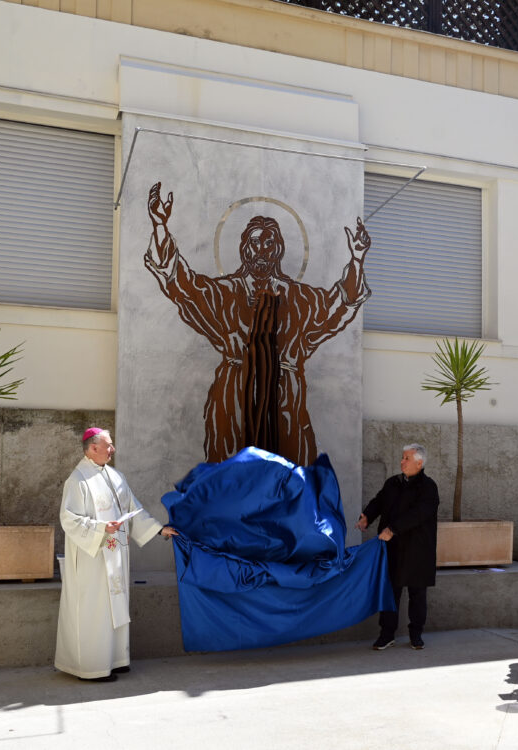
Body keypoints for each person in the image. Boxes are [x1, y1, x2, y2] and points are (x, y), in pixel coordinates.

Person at [144, 181, 371, 466]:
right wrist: (160, 227)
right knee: (232, 474)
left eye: (268, 243)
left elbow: (336, 307)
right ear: (244, 249)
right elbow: (183, 286)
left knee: (288, 473)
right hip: (235, 395)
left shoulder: (298, 297)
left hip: (284, 398)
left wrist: (357, 259)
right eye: (254, 243)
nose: (261, 250)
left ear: (278, 250)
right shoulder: (224, 292)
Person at [54, 428, 177, 681]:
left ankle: (116, 660)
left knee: (115, 606)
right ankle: (92, 667)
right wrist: (102, 528)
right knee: (95, 610)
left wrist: (158, 529)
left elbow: (135, 509)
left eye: (112, 445)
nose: (113, 449)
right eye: (108, 445)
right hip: (93, 559)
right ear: (92, 447)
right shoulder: (78, 480)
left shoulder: (115, 476)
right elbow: (69, 519)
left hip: (115, 554)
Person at [358, 443, 439, 650]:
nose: (402, 462)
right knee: (390, 593)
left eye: (407, 458)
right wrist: (368, 515)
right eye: (402, 457)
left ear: (419, 463)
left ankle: (416, 635)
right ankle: (387, 634)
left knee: (417, 594)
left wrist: (392, 529)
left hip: (418, 550)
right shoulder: (393, 483)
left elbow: (418, 515)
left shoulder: (428, 487)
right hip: (392, 549)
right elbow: (379, 501)